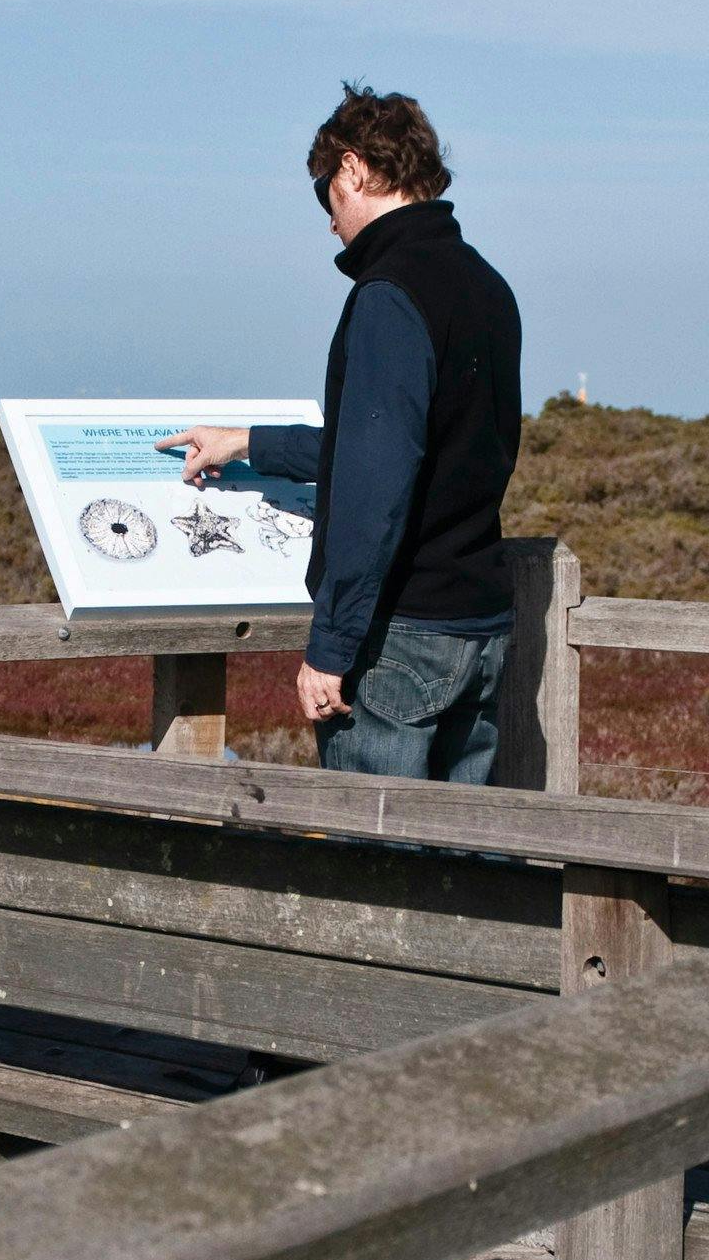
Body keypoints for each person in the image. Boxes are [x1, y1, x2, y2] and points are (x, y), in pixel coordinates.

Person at [159, 86, 525, 782]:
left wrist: (331, 647)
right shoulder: (486, 285)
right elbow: (420, 449)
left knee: (376, 869)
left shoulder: (390, 293)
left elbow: (375, 485)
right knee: (469, 866)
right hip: (481, 625)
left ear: (353, 170)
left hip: (402, 634)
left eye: (325, 194)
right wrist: (248, 443)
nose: (329, 222)